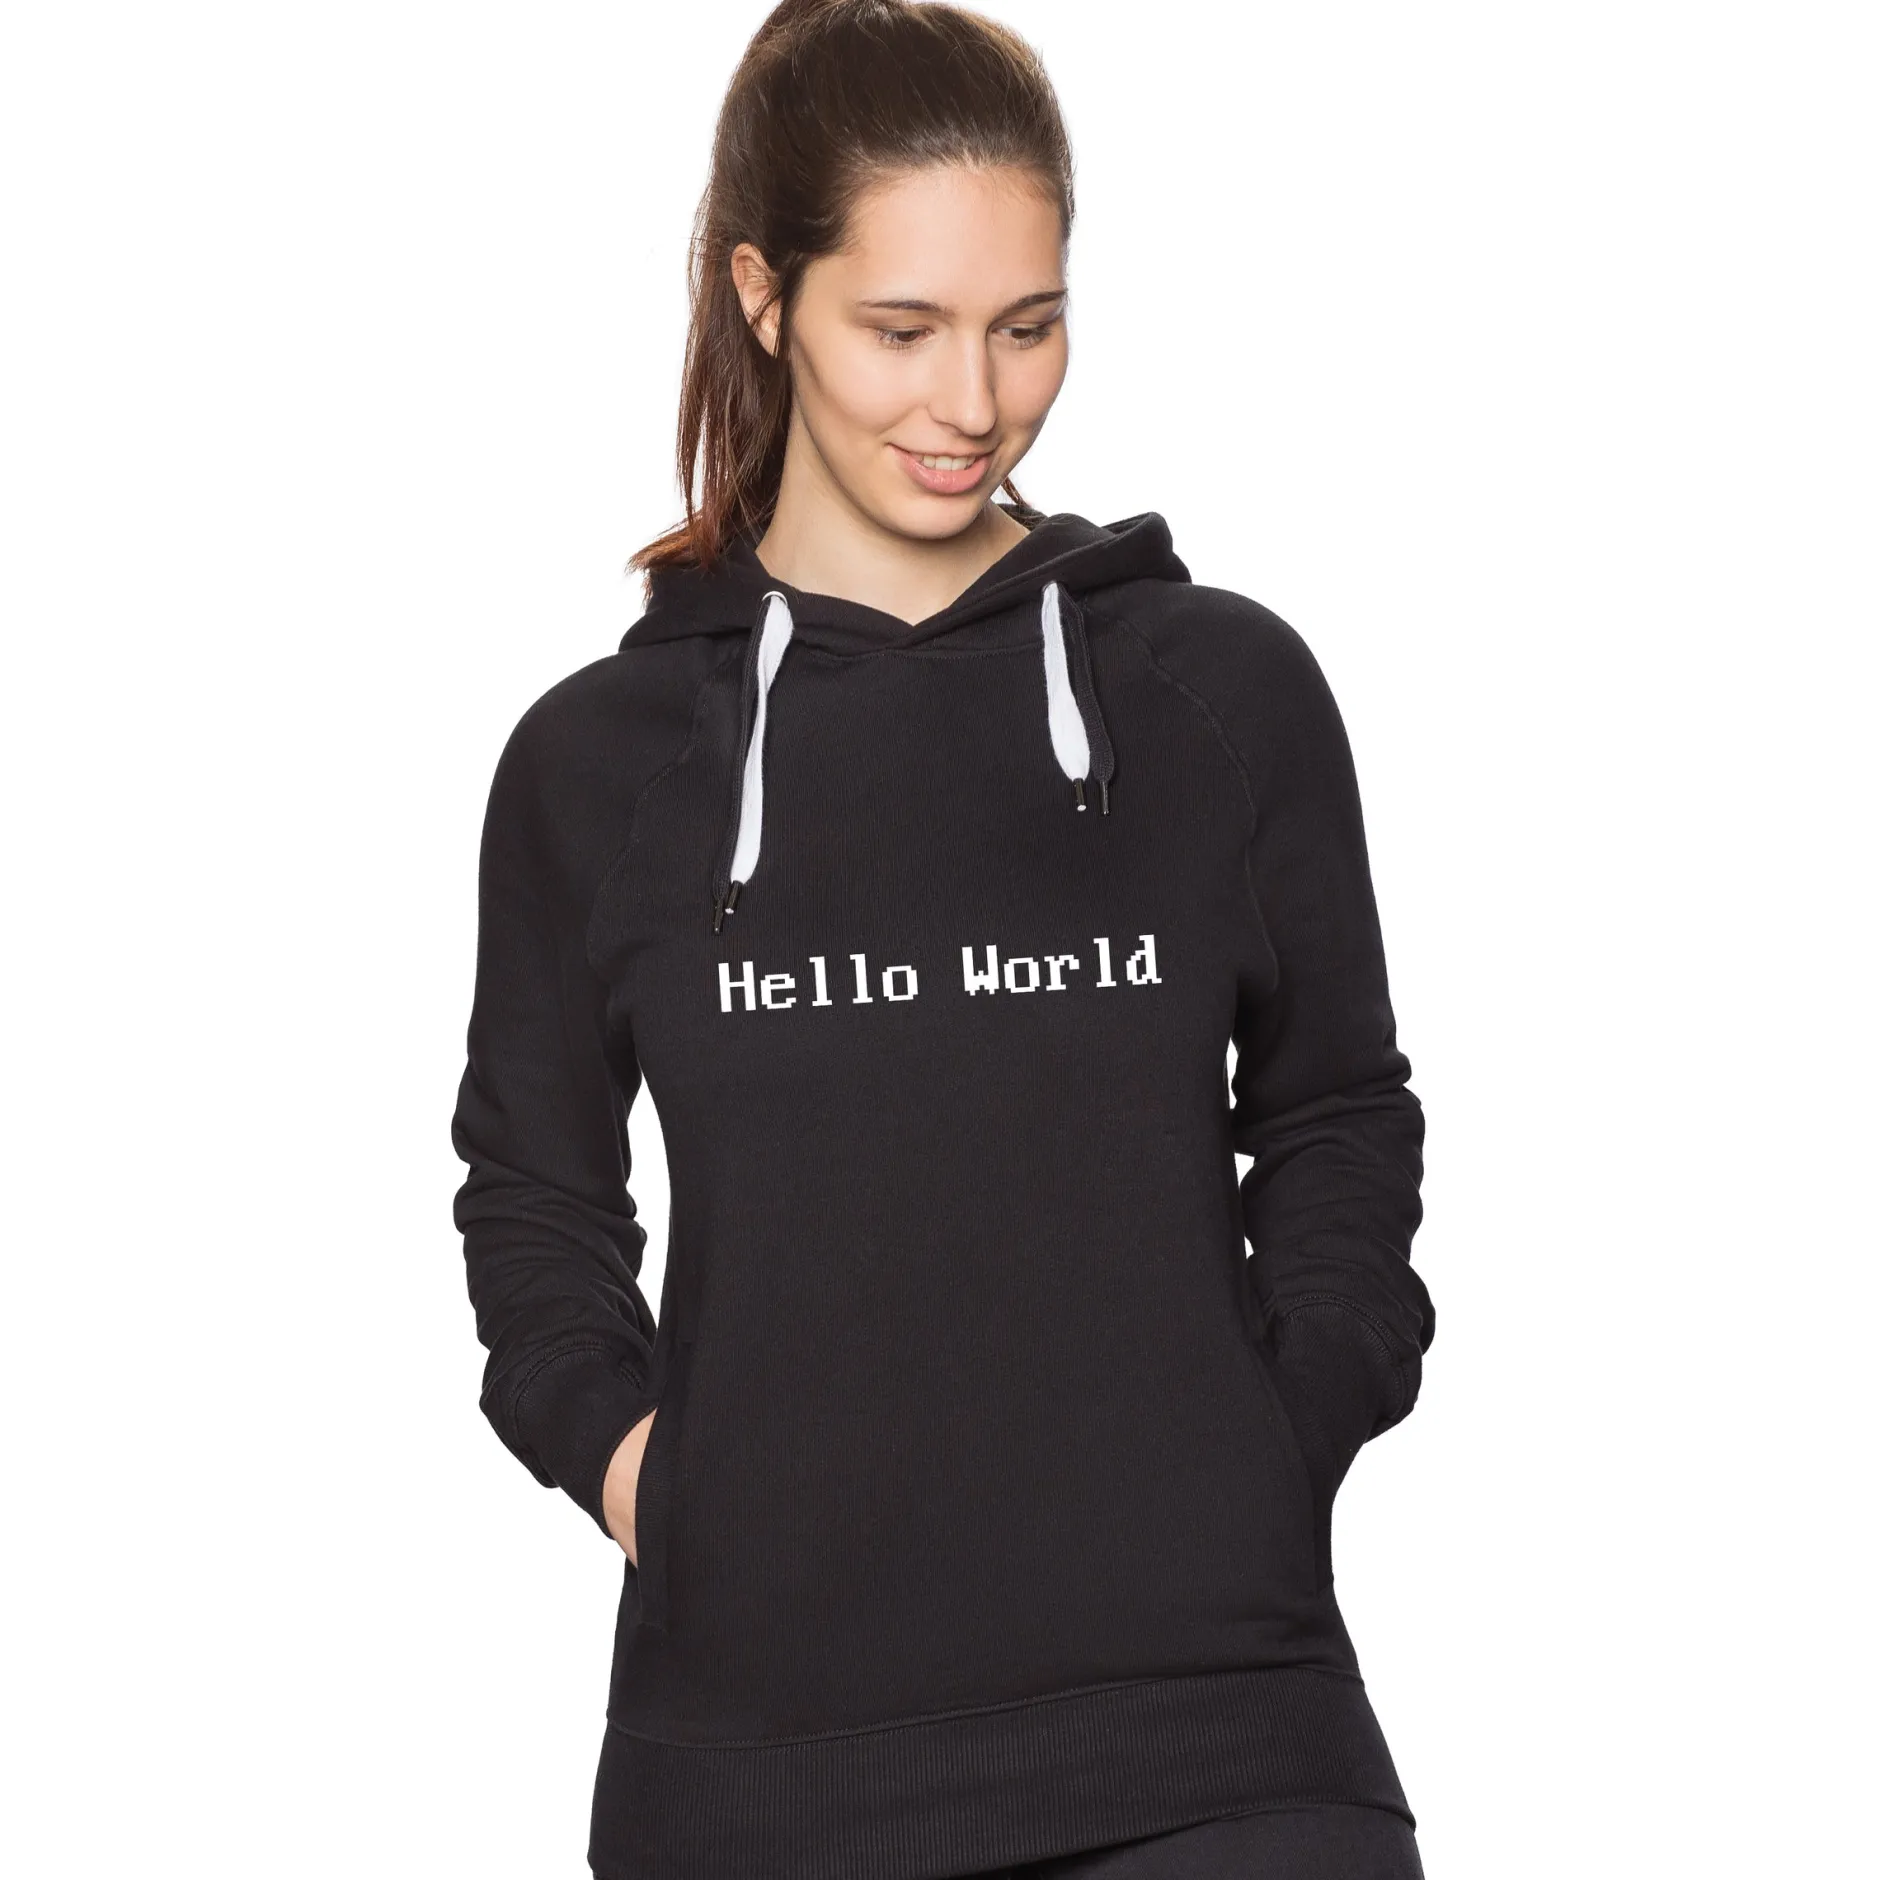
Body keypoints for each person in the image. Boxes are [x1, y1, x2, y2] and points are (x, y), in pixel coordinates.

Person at [448, 2, 1436, 1875]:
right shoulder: (607, 765)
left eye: (1026, 325)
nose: (973, 404)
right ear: (765, 297)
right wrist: (640, 1467)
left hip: (1222, 1736)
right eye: (900, 329)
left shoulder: (1218, 695)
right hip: (760, 1770)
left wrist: (1290, 1418)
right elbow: (534, 1195)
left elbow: (1335, 1113)